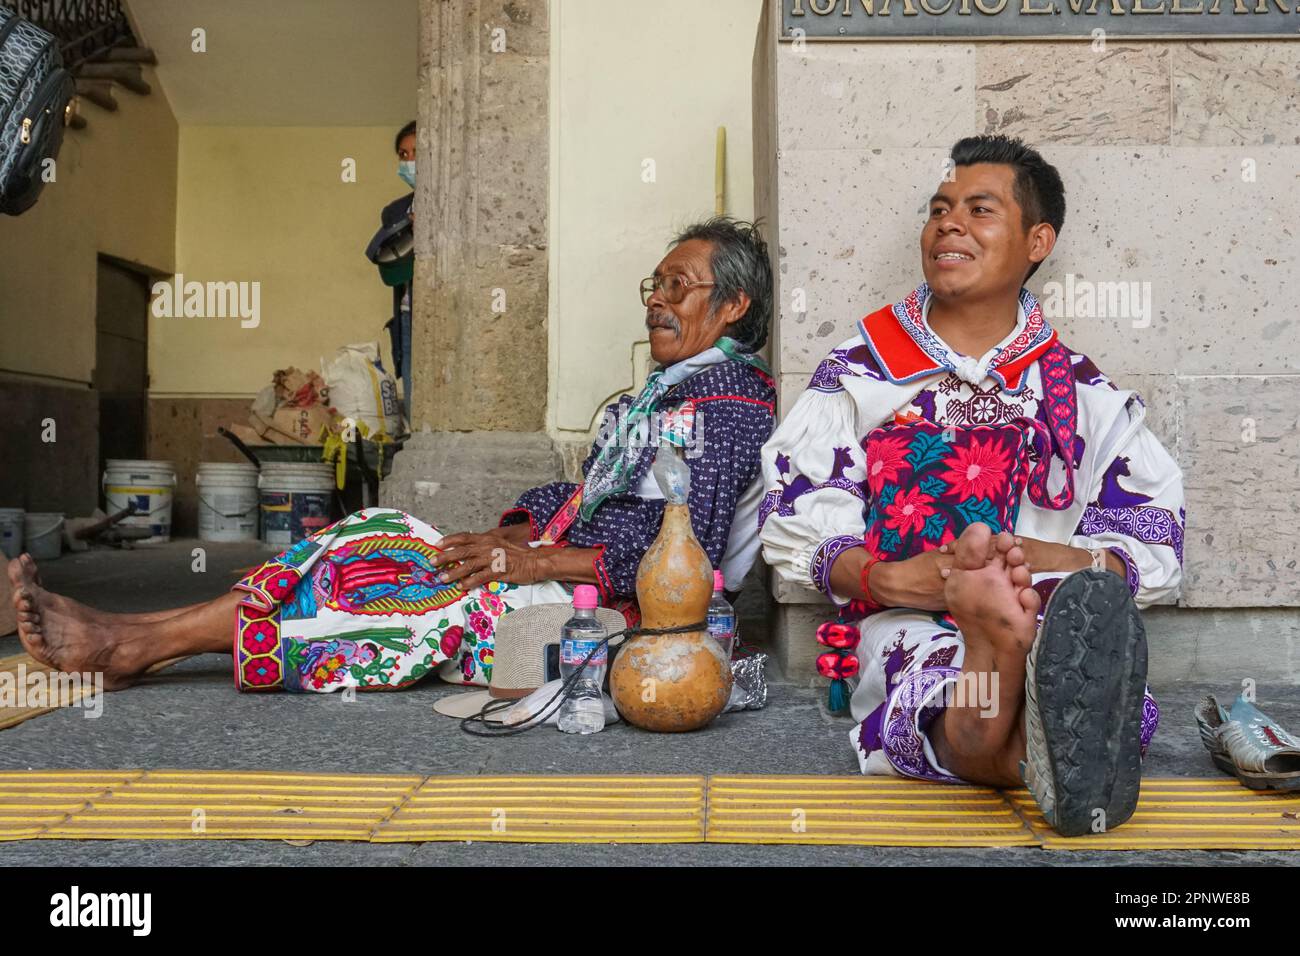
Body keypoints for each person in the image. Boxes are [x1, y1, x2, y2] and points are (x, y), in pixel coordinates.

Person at [9, 217, 777, 696]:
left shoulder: (732, 407)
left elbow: (686, 554)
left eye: (679, 286)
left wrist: (536, 564)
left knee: (378, 593)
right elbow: (588, 502)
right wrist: (518, 538)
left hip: (632, 629)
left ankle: (132, 644)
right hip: (568, 578)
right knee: (372, 531)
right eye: (656, 283)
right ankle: (142, 637)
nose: (656, 300)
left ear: (733, 306)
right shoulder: (660, 398)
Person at [758, 135, 1183, 835]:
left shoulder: (1082, 390)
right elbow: (800, 510)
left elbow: (1152, 537)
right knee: (932, 669)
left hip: (1047, 616)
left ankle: (1004, 653)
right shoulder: (863, 371)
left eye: (979, 210)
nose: (948, 224)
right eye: (940, 209)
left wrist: (1052, 561)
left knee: (1019, 688)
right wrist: (891, 579)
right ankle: (1005, 670)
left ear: (1037, 240)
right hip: (903, 616)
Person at [368, 120, 417, 419]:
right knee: (414, 398)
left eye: (416, 152)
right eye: (403, 154)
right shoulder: (397, 211)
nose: (409, 161)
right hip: (409, 312)